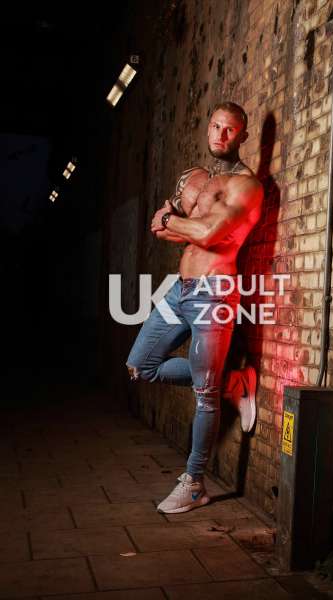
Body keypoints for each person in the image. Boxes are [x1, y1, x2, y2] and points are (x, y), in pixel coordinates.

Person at [126, 101, 263, 514]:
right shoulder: (203, 180)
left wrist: (174, 223)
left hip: (214, 292)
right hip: (179, 291)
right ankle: (232, 382)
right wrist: (174, 224)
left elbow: (208, 234)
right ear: (208, 128)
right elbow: (166, 227)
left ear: (243, 136)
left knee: (205, 395)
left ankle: (194, 483)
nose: (221, 135)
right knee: (140, 365)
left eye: (230, 129)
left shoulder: (247, 186)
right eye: (216, 126)